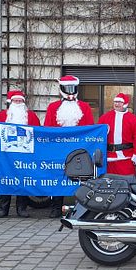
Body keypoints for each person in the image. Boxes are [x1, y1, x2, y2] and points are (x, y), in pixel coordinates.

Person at [44, 75, 95, 218]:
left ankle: (81, 207)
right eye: (68, 89)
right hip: (58, 150)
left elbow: (90, 128)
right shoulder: (53, 107)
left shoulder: (84, 107)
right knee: (58, 177)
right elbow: (48, 128)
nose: (71, 93)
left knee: (81, 177)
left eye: (73, 89)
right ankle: (56, 207)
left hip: (79, 149)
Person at [0, 90, 41, 218]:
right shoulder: (1, 116)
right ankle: (3, 208)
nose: (18, 103)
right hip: (5, 157)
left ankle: (21, 208)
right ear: (10, 102)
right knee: (5, 179)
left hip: (25, 156)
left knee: (23, 181)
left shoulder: (31, 116)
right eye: (15, 101)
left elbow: (39, 135)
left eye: (20, 101)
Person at [98, 93, 136, 176]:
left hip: (127, 158)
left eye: (119, 102)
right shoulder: (104, 118)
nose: (116, 104)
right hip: (109, 158)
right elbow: (99, 137)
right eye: (115, 102)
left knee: (126, 183)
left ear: (125, 104)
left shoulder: (133, 119)